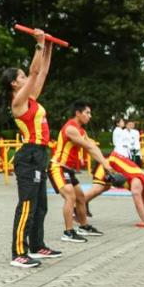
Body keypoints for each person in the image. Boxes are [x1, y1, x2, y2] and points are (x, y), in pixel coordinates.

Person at [2, 28, 56, 268]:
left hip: (41, 154)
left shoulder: (31, 98)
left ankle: (37, 245)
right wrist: (38, 45)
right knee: (27, 204)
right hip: (29, 156)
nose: (27, 78)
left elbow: (41, 71)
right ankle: (18, 252)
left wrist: (48, 48)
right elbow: (35, 71)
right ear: (15, 83)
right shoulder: (18, 102)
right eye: (21, 77)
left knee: (41, 204)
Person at [49, 101, 112, 243]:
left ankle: (83, 226)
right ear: (78, 113)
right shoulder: (71, 128)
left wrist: (105, 163)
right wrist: (105, 163)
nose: (90, 116)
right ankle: (68, 232)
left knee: (81, 198)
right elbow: (89, 147)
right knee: (70, 197)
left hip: (68, 170)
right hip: (58, 167)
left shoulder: (81, 130)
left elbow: (92, 147)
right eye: (87, 113)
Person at [85, 153, 144, 227]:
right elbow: (139, 204)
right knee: (97, 188)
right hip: (107, 163)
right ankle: (77, 204)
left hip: (111, 164)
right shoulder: (138, 183)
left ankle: (82, 203)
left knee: (105, 187)